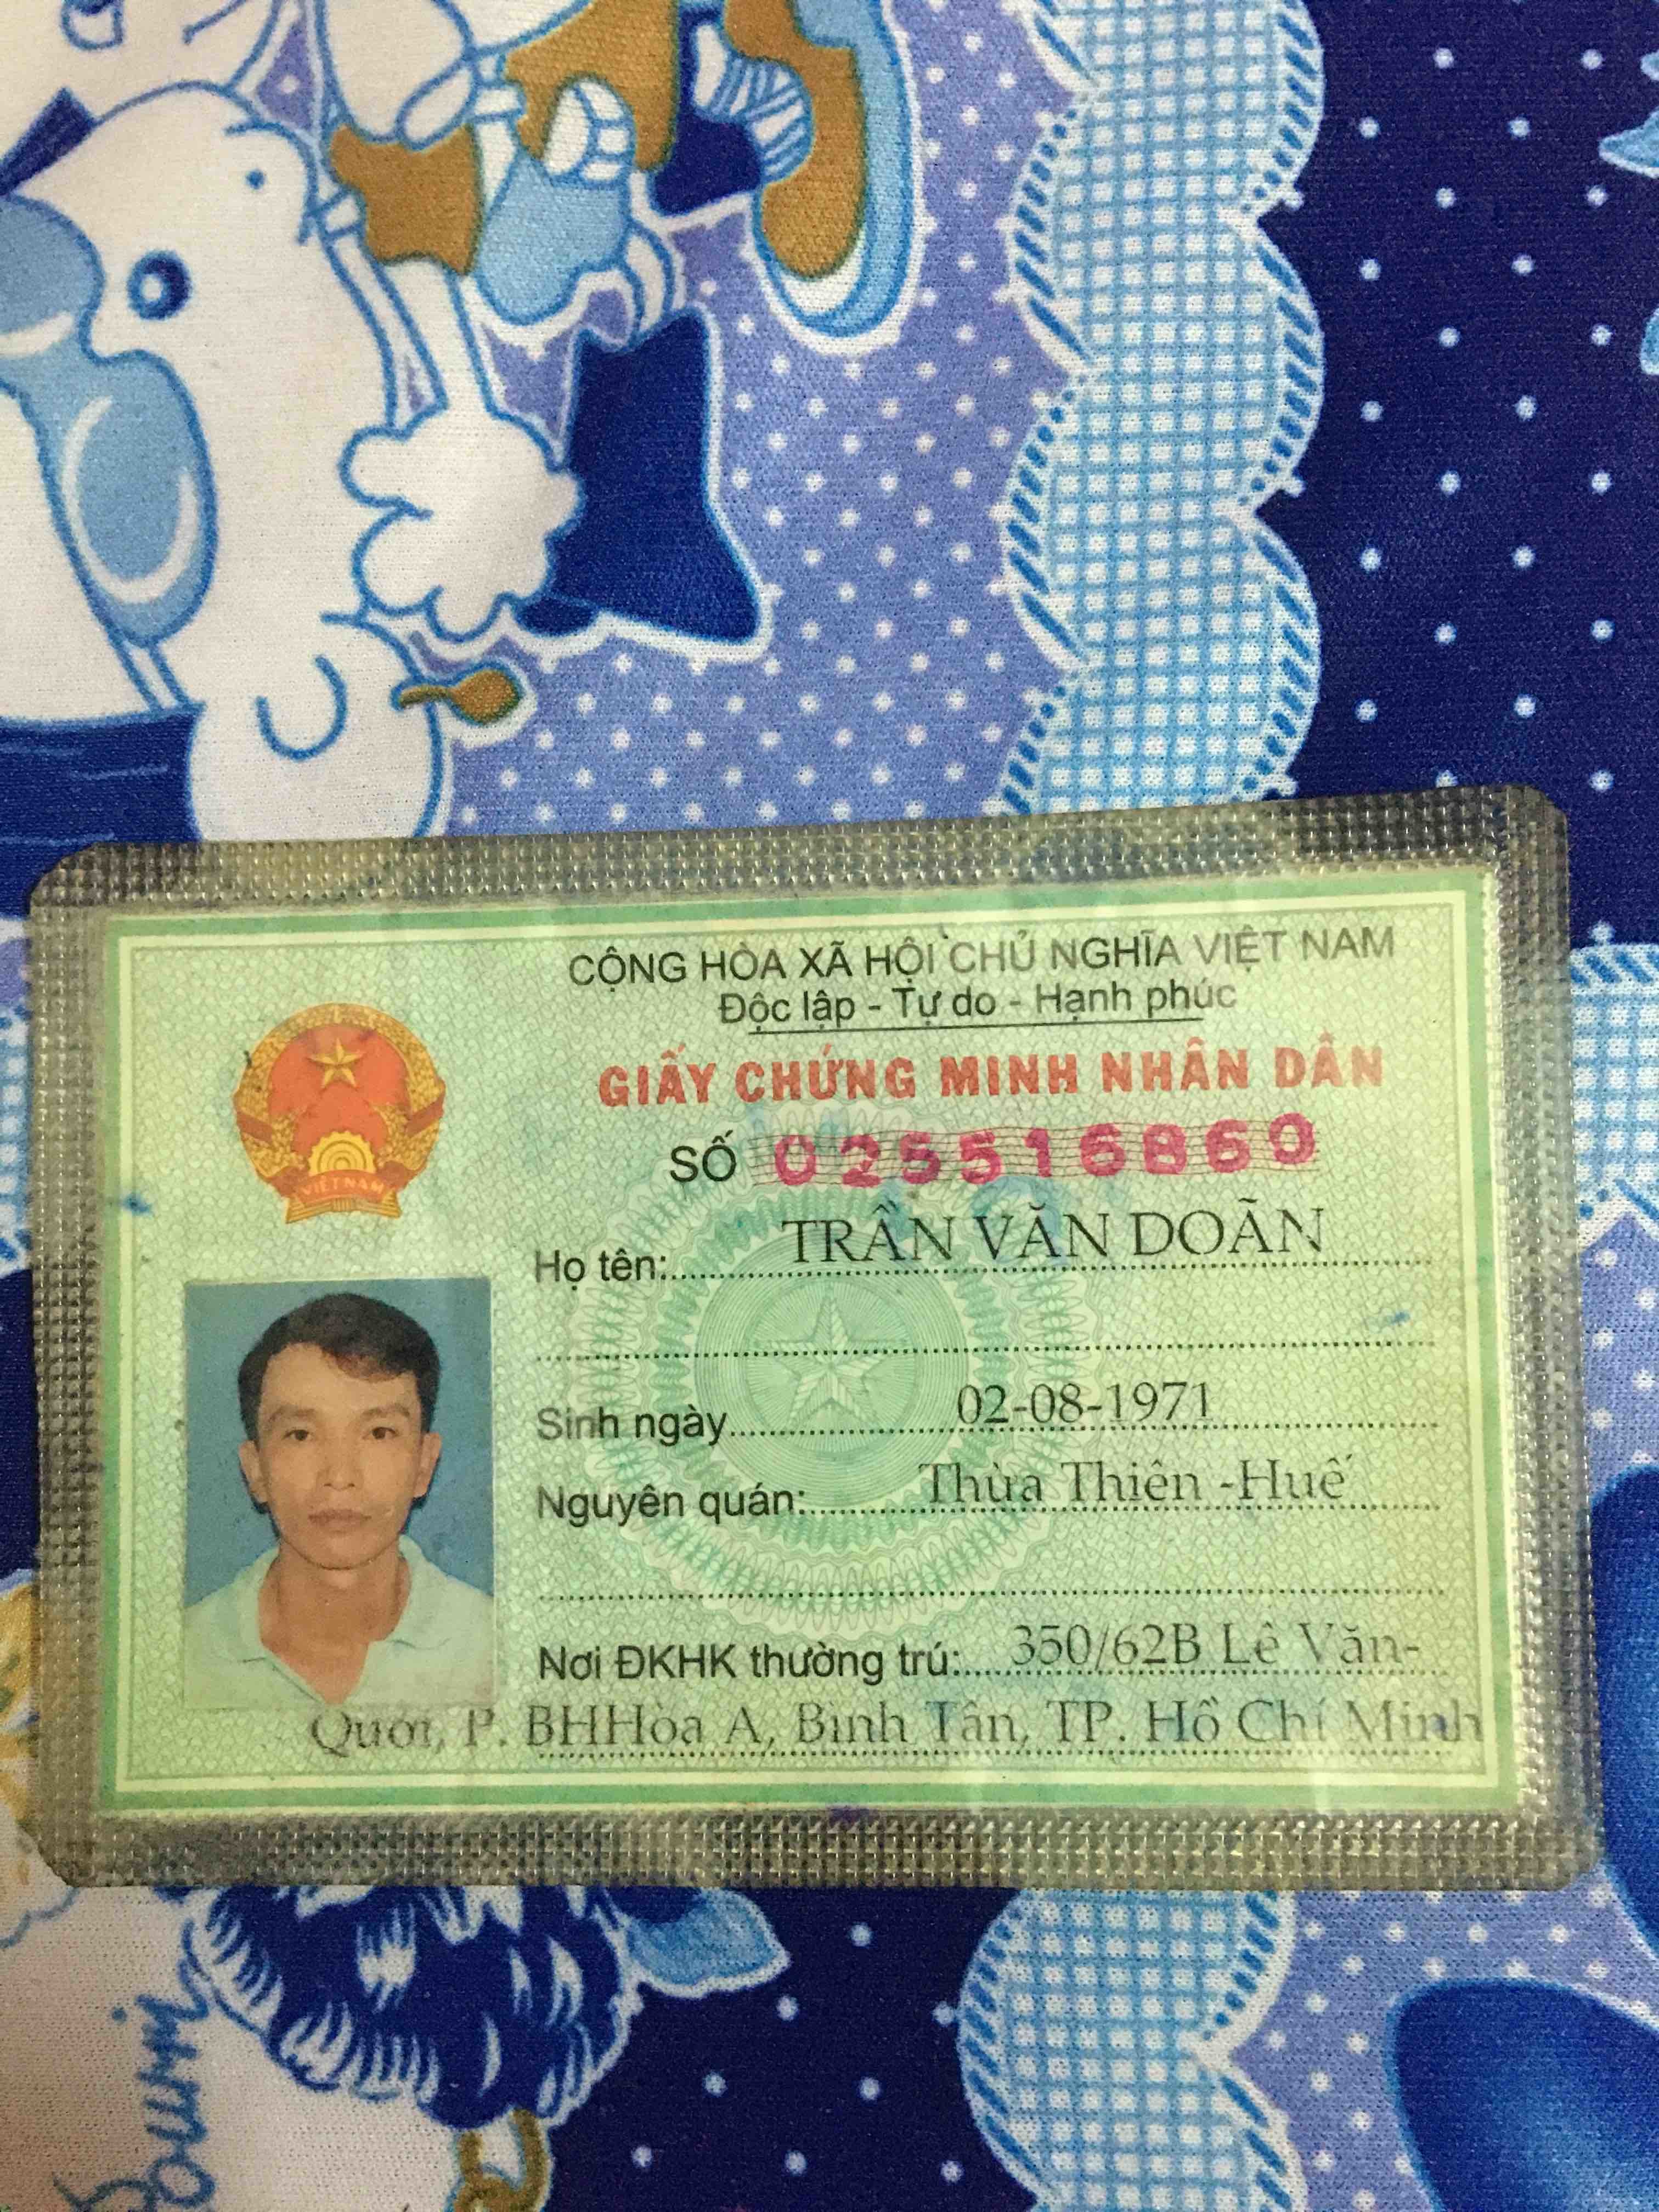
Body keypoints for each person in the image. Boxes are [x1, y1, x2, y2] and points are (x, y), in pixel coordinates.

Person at [184, 1292, 493, 1708]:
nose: (340, 1477)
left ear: (424, 1464)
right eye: (300, 1435)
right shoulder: (180, 1659)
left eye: (379, 1433)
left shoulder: (494, 1648)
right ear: (255, 1470)